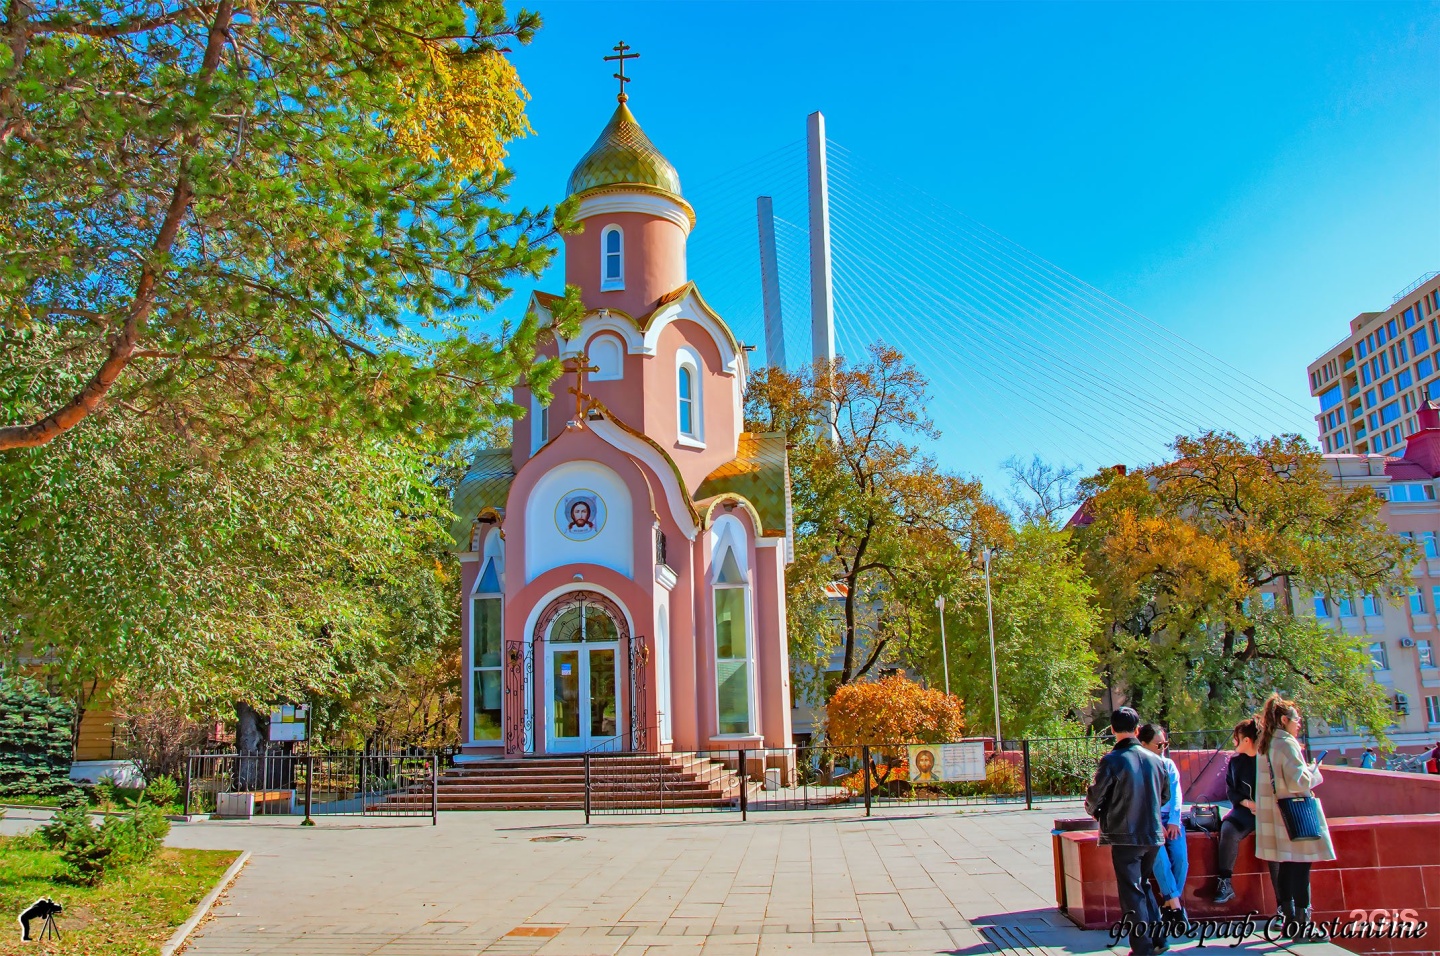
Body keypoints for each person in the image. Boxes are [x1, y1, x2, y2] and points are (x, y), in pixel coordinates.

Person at [1086, 708, 1171, 956]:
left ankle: (1142, 947)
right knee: (1143, 884)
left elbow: (1095, 796)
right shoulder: (1156, 760)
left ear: (1112, 730)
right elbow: (1164, 796)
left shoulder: (1112, 760)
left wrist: (1095, 810)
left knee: (1131, 890)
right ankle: (1158, 938)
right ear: (1137, 729)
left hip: (1125, 835)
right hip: (1153, 833)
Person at [1255, 693, 1335, 930]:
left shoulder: (1266, 743)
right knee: (1301, 866)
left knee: (1287, 866)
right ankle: (1303, 924)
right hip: (1295, 813)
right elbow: (1298, 781)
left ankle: (1289, 917)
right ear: (1283, 721)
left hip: (1276, 814)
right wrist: (1313, 772)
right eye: (1296, 719)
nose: (1299, 723)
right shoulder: (1287, 743)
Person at [1138, 724, 1188, 927]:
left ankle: (1169, 905)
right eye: (1159, 745)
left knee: (1180, 858)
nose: (1163, 748)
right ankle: (1176, 907)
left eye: (1165, 744)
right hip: (1150, 822)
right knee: (1161, 860)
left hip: (1171, 820)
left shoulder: (1168, 765)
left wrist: (1175, 820)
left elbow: (1176, 794)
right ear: (1143, 744)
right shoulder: (1140, 767)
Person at [1213, 718, 1260, 904]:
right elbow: (1231, 790)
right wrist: (1249, 804)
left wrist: (1264, 806)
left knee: (1274, 846)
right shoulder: (1236, 762)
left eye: (1236, 738)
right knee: (1229, 829)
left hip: (1271, 811)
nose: (1233, 742)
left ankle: (1282, 904)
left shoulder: (1268, 759)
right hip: (1245, 810)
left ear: (1246, 740)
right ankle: (1225, 882)